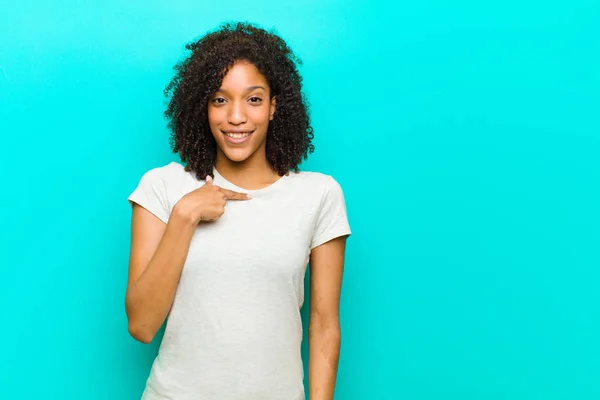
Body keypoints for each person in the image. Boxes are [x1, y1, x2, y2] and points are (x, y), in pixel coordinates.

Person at [125, 22, 351, 400]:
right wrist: (184, 217)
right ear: (204, 106)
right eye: (220, 99)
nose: (236, 117)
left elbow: (324, 324)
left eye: (253, 99)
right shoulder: (163, 187)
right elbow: (142, 325)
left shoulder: (319, 194)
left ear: (275, 106)